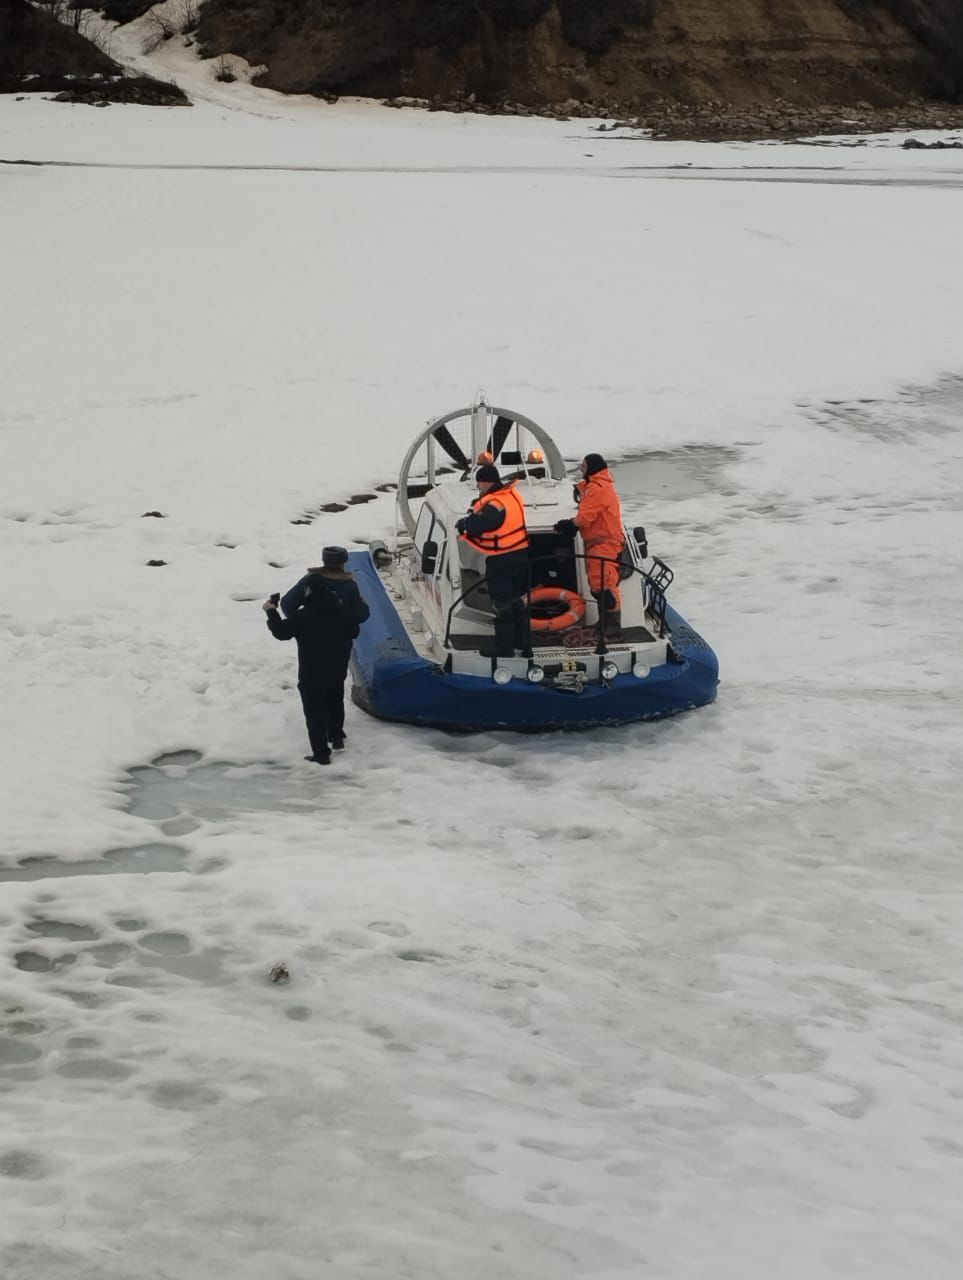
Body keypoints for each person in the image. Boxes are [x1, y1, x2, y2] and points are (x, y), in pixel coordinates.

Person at [263, 546, 370, 765]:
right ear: (344, 561)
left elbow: (285, 616)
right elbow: (358, 622)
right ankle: (337, 735)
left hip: (312, 665)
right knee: (334, 694)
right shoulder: (348, 589)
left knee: (314, 708)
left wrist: (287, 617)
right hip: (338, 657)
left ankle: (321, 754)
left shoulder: (306, 604)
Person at [456, 463, 531, 658]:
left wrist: (464, 523)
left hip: (502, 559)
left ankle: (504, 647)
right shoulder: (512, 496)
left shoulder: (494, 505)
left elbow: (476, 525)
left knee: (501, 603)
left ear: (485, 482)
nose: (479, 487)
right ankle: (521, 641)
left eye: (479, 483)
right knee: (516, 600)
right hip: (521, 555)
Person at [555, 453, 625, 640]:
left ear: (591, 468)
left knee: (606, 586)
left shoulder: (598, 488)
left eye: (584, 466)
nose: (581, 470)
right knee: (596, 586)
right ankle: (604, 622)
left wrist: (570, 525)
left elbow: (586, 516)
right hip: (596, 544)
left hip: (605, 544)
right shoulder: (595, 487)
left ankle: (613, 627)